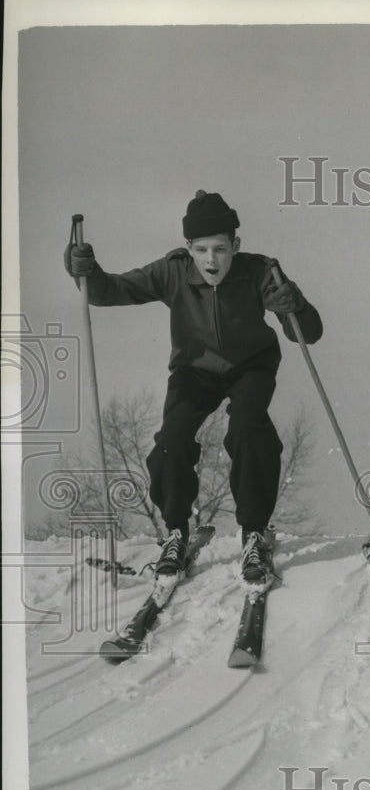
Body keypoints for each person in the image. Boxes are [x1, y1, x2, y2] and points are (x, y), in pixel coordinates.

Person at [64, 189, 323, 588]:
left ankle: (254, 533)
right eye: (201, 250)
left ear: (235, 245)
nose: (211, 261)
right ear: (188, 247)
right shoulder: (172, 271)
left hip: (250, 366)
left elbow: (308, 334)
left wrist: (296, 305)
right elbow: (107, 291)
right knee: (172, 439)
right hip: (195, 370)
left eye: (220, 249)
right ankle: (175, 533)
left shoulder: (260, 271)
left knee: (248, 428)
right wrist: (84, 270)